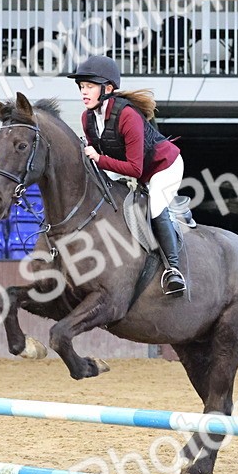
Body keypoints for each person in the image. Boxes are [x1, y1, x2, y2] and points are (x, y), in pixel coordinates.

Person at [66, 55, 187, 295]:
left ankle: (173, 270)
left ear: (107, 88)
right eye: (82, 87)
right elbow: (100, 163)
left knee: (154, 207)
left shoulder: (128, 116)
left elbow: (134, 169)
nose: (84, 92)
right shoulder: (87, 118)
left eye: (89, 86)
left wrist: (98, 159)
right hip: (137, 171)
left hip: (164, 166)